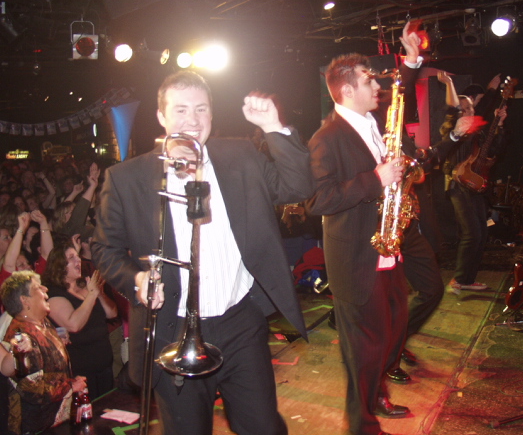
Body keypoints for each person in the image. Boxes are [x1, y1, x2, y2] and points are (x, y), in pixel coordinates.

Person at [91, 70, 313, 435]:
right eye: (180, 110)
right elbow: (104, 247)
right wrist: (136, 279)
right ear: (161, 116)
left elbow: (299, 186)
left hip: (240, 323)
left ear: (212, 112)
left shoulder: (241, 155)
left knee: (264, 428)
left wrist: (273, 127)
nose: (192, 120)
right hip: (173, 331)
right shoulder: (126, 177)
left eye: (201, 109)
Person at [305, 22, 422, 434]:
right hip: (356, 258)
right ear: (346, 90)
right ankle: (362, 424)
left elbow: (400, 98)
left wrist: (411, 62)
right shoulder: (325, 138)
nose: (377, 87)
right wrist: (376, 179)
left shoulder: (372, 122)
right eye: (369, 81)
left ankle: (375, 395)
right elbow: (318, 200)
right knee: (366, 346)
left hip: (386, 247)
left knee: (394, 328)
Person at [441, 78, 508, 295]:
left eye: (471, 108)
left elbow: (495, 150)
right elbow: (450, 122)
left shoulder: (478, 131)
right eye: (466, 109)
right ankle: (458, 280)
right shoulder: (453, 130)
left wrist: (499, 125)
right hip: (458, 186)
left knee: (481, 233)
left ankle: (468, 279)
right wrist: (450, 84)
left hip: (475, 185)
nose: (470, 111)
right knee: (471, 233)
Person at [0, 271, 87, 435]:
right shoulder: (21, 334)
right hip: (38, 425)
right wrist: (70, 386)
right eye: (37, 288)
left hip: (55, 419)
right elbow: (30, 388)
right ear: (25, 300)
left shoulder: (42, 322)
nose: (45, 289)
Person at [42, 239, 117, 399]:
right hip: (81, 372)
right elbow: (73, 325)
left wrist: (100, 293)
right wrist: (92, 295)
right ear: (59, 265)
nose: (79, 260)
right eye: (72, 258)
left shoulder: (86, 286)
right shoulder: (54, 294)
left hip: (104, 366)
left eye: (78, 256)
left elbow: (112, 314)